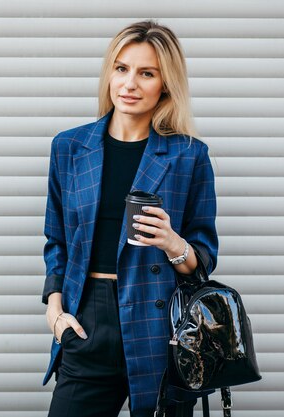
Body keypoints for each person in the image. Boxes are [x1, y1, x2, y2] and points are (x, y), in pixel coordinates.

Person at [41, 20, 218, 417]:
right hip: (87, 319)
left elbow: (203, 258)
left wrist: (174, 243)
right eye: (121, 69)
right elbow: (57, 242)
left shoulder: (189, 156)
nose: (130, 84)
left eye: (147, 73)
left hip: (160, 328)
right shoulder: (70, 148)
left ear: (165, 85)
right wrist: (56, 312)